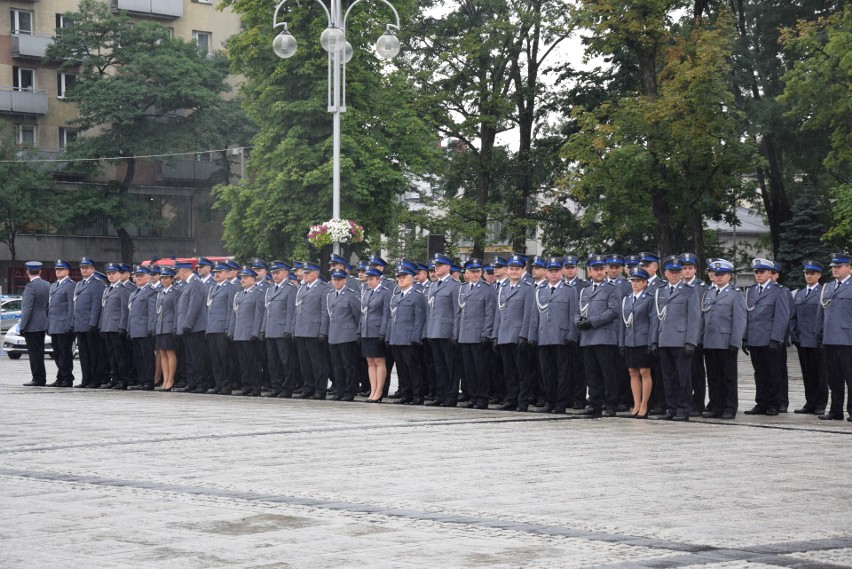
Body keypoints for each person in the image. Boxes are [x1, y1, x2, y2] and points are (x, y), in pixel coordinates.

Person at [649, 256, 701, 421]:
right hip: (664, 339)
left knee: (683, 377)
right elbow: (656, 318)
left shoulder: (689, 291)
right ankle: (671, 408)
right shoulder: (661, 291)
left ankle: (684, 408)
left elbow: (694, 319)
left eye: (677, 272)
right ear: (665, 273)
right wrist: (654, 340)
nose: (675, 275)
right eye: (672, 272)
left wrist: (691, 342)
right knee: (668, 377)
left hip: (681, 341)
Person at [528, 256, 579, 414]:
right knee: (547, 372)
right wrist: (532, 336)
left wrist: (572, 334)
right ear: (546, 273)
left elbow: (574, 314)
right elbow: (534, 316)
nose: (554, 274)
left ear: (562, 272)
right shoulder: (539, 291)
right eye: (551, 271)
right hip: (544, 337)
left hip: (562, 337)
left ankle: (561, 402)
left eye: (557, 270)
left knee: (562, 372)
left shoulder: (570, 290)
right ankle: (550, 401)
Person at [700, 259, 747, 419]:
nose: (718, 277)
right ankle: (716, 406)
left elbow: (739, 320)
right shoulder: (709, 293)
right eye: (716, 274)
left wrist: (735, 341)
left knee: (728, 377)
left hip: (726, 342)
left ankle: (730, 407)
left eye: (722, 274)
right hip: (709, 341)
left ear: (729, 276)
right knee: (713, 377)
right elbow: (704, 318)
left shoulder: (735, 295)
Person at [743, 258, 790, 416]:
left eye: (761, 272)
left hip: (770, 339)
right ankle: (761, 402)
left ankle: (775, 403)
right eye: (756, 272)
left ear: (770, 273)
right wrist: (745, 337)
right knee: (760, 373)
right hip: (755, 338)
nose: (758, 275)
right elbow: (748, 315)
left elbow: (781, 317)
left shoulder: (779, 291)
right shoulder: (751, 291)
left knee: (773, 372)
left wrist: (776, 339)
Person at [575, 254, 620, 417]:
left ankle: (610, 404)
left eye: (602, 269)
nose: (599, 272)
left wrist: (592, 322)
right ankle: (594, 403)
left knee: (607, 373)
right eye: (596, 269)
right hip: (587, 338)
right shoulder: (585, 290)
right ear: (589, 271)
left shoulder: (611, 289)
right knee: (591, 373)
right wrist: (578, 321)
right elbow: (578, 311)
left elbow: (613, 311)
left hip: (604, 336)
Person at [493, 254, 535, 411]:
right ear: (507, 270)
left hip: (518, 336)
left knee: (522, 371)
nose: (514, 272)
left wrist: (524, 335)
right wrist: (495, 335)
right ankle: (511, 399)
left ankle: (522, 400)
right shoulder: (502, 289)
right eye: (511, 269)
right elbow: (499, 314)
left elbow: (528, 314)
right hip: (504, 336)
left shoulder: (527, 289)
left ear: (523, 269)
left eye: (517, 269)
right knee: (508, 371)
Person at [454, 258, 496, 410]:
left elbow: (490, 313)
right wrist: (456, 333)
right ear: (466, 273)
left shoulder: (487, 288)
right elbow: (459, 313)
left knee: (481, 369)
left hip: (479, 335)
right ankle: (472, 396)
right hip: (465, 334)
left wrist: (487, 333)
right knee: (468, 369)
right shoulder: (463, 288)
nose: (476, 274)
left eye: (478, 271)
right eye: (473, 271)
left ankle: (482, 398)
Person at [816, 252, 852, 421]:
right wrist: (819, 333)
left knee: (850, 376)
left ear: (849, 268)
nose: (835, 270)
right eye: (833, 267)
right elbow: (821, 313)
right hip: (829, 338)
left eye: (839, 267)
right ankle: (836, 410)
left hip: (848, 339)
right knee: (834, 377)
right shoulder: (828, 287)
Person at [385, 264, 427, 404]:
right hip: (396, 338)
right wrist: (389, 336)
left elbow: (420, 318)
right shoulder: (396, 297)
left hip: (409, 338)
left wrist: (416, 337)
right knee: (401, 368)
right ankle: (405, 394)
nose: (400, 280)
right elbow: (392, 318)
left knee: (413, 368)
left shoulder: (417, 296)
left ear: (412, 279)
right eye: (399, 278)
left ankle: (417, 395)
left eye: (404, 277)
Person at [790, 260, 828, 415]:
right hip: (802, 340)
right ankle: (810, 402)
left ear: (819, 275)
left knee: (820, 373)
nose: (809, 276)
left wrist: (822, 337)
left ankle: (820, 404)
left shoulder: (823, 292)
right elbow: (793, 317)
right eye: (807, 273)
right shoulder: (799, 294)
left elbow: (826, 317)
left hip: (817, 340)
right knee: (807, 373)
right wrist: (794, 335)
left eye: (812, 273)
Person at [425, 253, 462, 407]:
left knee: (450, 366)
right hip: (434, 330)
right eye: (435, 266)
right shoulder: (433, 285)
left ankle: (451, 396)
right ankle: (440, 395)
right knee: (438, 365)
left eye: (439, 265)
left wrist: (455, 332)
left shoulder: (455, 285)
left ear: (448, 267)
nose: (436, 268)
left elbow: (457, 311)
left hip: (447, 332)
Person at [618, 267, 654, 418]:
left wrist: (652, 342)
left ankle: (645, 404)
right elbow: (622, 323)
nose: (635, 283)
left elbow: (653, 321)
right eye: (633, 281)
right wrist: (621, 342)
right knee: (632, 372)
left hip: (643, 339)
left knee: (644, 372)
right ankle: (636, 403)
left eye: (639, 281)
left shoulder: (649, 298)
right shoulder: (627, 298)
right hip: (630, 340)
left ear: (645, 283)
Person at [320, 268, 361, 401]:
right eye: (334, 280)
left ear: (344, 281)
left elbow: (357, 316)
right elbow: (328, 315)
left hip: (347, 335)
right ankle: (340, 390)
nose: (336, 282)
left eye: (339, 280)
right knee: (336, 365)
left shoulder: (351, 294)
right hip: (334, 335)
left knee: (348, 365)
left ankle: (350, 391)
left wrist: (357, 333)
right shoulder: (330, 295)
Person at [294, 262, 330, 399]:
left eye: (308, 273)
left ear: (316, 273)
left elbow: (324, 311)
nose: (305, 275)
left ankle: (320, 389)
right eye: (304, 273)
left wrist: (322, 331)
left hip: (314, 330)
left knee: (317, 362)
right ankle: (308, 387)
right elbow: (297, 310)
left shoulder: (322, 288)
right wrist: (294, 329)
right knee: (304, 362)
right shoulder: (302, 288)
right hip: (301, 329)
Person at [262, 261, 297, 398]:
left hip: (283, 331)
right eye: (273, 273)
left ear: (285, 273)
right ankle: (276, 386)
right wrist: (264, 329)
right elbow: (267, 311)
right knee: (273, 362)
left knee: (286, 361)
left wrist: (289, 329)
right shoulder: (270, 289)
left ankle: (287, 387)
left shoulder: (290, 289)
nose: (275, 275)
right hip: (271, 330)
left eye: (278, 272)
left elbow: (291, 312)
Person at [229, 267, 265, 396]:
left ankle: (255, 386)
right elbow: (234, 314)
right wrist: (232, 331)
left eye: (245, 278)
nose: (242, 280)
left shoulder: (258, 293)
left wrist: (255, 332)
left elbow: (258, 314)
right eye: (241, 278)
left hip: (250, 333)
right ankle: (246, 385)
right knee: (243, 362)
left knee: (253, 362)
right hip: (239, 333)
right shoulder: (239, 294)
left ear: (252, 279)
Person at [175, 261, 209, 393]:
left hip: (195, 327)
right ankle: (192, 382)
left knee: (197, 357)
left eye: (178, 272)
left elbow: (194, 306)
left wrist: (188, 324)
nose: (178, 275)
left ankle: (201, 383)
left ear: (183, 270)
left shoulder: (196, 283)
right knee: (189, 357)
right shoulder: (188, 284)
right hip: (188, 327)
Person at [73, 257, 106, 388]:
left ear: (93, 269)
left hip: (89, 325)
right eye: (82, 267)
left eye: (87, 267)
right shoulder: (79, 284)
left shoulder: (97, 284)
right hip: (80, 325)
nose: (84, 270)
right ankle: (85, 379)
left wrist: (93, 323)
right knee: (84, 355)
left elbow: (96, 306)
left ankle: (95, 379)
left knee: (94, 355)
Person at [100, 263, 132, 390]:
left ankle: (123, 379)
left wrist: (122, 327)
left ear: (120, 274)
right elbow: (105, 310)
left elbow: (125, 310)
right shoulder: (108, 289)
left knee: (120, 355)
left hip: (116, 326)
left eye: (113, 273)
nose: (111, 276)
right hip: (107, 326)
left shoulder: (123, 290)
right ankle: (114, 378)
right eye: (109, 274)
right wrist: (102, 326)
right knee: (111, 355)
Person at [360, 267, 390, 402]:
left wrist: (383, 332)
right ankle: (373, 390)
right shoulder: (367, 293)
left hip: (377, 331)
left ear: (379, 279)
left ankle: (379, 392)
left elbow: (386, 314)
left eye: (372, 279)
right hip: (367, 331)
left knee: (379, 361)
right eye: (368, 279)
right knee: (370, 362)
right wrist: (360, 330)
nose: (369, 282)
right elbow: (363, 313)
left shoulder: (384, 293)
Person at [127, 266, 158, 390]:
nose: (139, 278)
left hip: (145, 330)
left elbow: (152, 312)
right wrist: (129, 329)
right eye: (137, 276)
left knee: (147, 357)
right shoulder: (134, 293)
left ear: (148, 277)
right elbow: (131, 314)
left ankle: (148, 381)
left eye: (142, 276)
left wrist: (151, 328)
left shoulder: (151, 292)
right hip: (135, 329)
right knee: (138, 357)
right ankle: (141, 380)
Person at [46, 260, 76, 388]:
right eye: (56, 269)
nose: (58, 271)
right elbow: (50, 307)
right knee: (57, 353)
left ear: (67, 271)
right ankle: (60, 376)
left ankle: (67, 378)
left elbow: (71, 306)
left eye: (61, 269)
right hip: (54, 325)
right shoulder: (54, 286)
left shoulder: (70, 285)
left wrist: (69, 324)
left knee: (65, 353)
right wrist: (48, 324)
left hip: (64, 325)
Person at [20, 261, 50, 387]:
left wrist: (22, 326)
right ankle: (40, 377)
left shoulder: (30, 287)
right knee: (40, 352)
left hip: (31, 325)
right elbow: (48, 306)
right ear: (40, 271)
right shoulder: (47, 285)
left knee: (34, 353)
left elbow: (27, 309)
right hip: (42, 323)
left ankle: (38, 378)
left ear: (27, 272)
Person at [154, 268, 179, 391]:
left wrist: (175, 326)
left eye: (166, 278)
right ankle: (165, 379)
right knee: (162, 353)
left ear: (171, 279)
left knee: (170, 353)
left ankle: (171, 379)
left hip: (169, 326)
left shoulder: (175, 292)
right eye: (162, 278)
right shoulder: (160, 293)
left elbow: (176, 311)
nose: (163, 280)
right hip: (160, 326)